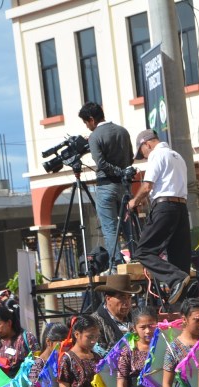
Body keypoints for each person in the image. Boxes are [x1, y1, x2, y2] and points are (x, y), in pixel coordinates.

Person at [128, 129, 193, 305]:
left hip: (165, 207)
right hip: (181, 207)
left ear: (146, 143)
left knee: (143, 251)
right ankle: (185, 306)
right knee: (179, 258)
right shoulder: (177, 156)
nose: (145, 156)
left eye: (143, 152)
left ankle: (176, 278)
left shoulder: (157, 155)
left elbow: (148, 186)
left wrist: (134, 201)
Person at [79, 102, 133, 268]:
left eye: (86, 123)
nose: (87, 127)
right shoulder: (122, 131)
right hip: (124, 187)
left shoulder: (95, 136)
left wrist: (115, 170)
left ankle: (116, 262)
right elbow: (130, 157)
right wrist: (121, 171)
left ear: (91, 119)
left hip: (106, 186)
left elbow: (101, 163)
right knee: (128, 226)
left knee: (109, 228)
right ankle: (136, 257)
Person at [91, 275, 139, 351]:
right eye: (122, 297)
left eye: (129, 297)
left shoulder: (136, 318)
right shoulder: (95, 322)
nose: (127, 302)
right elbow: (99, 353)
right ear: (108, 299)